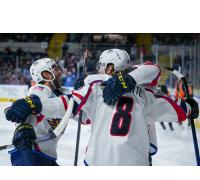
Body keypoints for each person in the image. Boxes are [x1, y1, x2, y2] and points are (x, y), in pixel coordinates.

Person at [6, 50, 199, 166]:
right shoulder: (145, 95)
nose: (60, 71)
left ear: (109, 68)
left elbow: (66, 106)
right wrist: (189, 107)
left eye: (101, 66)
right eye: (55, 68)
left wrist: (34, 105)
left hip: (97, 161)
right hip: (137, 162)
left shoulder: (94, 84)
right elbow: (176, 108)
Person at [5, 58, 71, 166]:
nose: (60, 72)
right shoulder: (40, 90)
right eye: (55, 69)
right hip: (31, 154)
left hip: (45, 157)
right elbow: (33, 102)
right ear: (46, 74)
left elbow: (84, 119)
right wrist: (23, 132)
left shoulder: (57, 95)